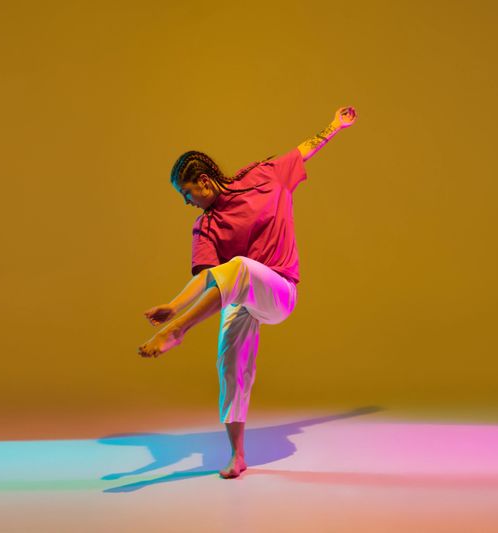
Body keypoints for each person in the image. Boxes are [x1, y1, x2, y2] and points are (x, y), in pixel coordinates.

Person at [138, 106, 358, 478]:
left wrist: (335, 126)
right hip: (240, 293)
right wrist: (174, 305)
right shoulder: (205, 226)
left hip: (279, 291)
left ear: (205, 182)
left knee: (240, 266)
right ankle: (237, 456)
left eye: (187, 193)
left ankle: (177, 332)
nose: (187, 202)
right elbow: (211, 279)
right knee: (230, 366)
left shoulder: (263, 176)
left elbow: (305, 149)